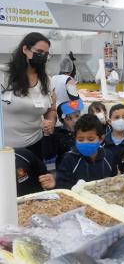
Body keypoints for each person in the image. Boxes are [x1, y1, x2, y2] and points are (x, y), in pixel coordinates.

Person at [0, 32, 57, 160]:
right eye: (39, 51)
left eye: (46, 54)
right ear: (25, 49)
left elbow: (51, 110)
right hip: (4, 149)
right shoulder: (3, 75)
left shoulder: (47, 81)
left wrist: (51, 122)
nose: (42, 56)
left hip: (34, 146)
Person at [56, 114, 117, 189]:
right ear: (75, 139)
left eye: (90, 139)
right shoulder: (69, 159)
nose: (85, 142)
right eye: (80, 139)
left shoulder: (108, 156)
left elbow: (113, 181)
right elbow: (62, 186)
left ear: (101, 139)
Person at [42, 99, 83, 169]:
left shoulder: (84, 131)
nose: (75, 121)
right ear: (62, 120)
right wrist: (47, 135)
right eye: (69, 118)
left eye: (77, 116)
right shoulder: (58, 135)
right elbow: (48, 155)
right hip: (65, 171)